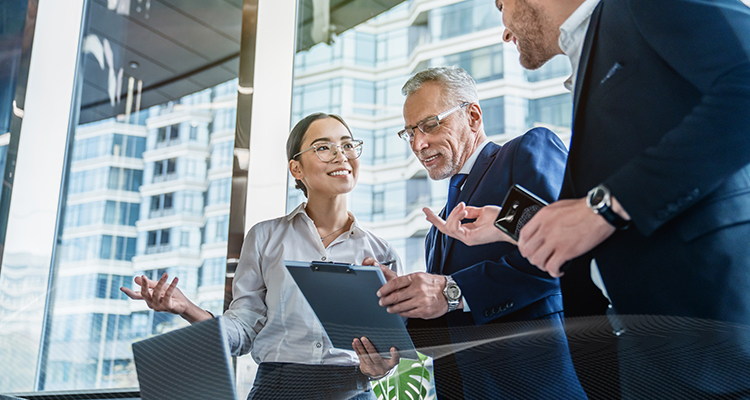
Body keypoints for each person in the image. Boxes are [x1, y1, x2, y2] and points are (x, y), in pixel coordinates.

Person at [432, 0, 750, 397]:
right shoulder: (591, 54)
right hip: (643, 349)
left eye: (501, 5)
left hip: (714, 334)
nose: (505, 29)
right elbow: (589, 221)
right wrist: (511, 223)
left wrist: (606, 205)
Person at [121, 113, 402, 400]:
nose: (340, 155)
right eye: (323, 147)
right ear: (296, 168)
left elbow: (389, 346)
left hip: (353, 391)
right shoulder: (265, 238)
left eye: (347, 145)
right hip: (277, 389)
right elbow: (243, 331)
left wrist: (382, 366)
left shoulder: (382, 253)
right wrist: (186, 308)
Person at [376, 66, 586, 399]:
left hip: (538, 386)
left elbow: (569, 252)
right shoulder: (439, 228)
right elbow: (451, 322)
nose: (418, 143)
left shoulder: (523, 153)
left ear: (473, 116)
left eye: (430, 124)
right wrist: (398, 310)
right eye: (409, 133)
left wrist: (451, 291)